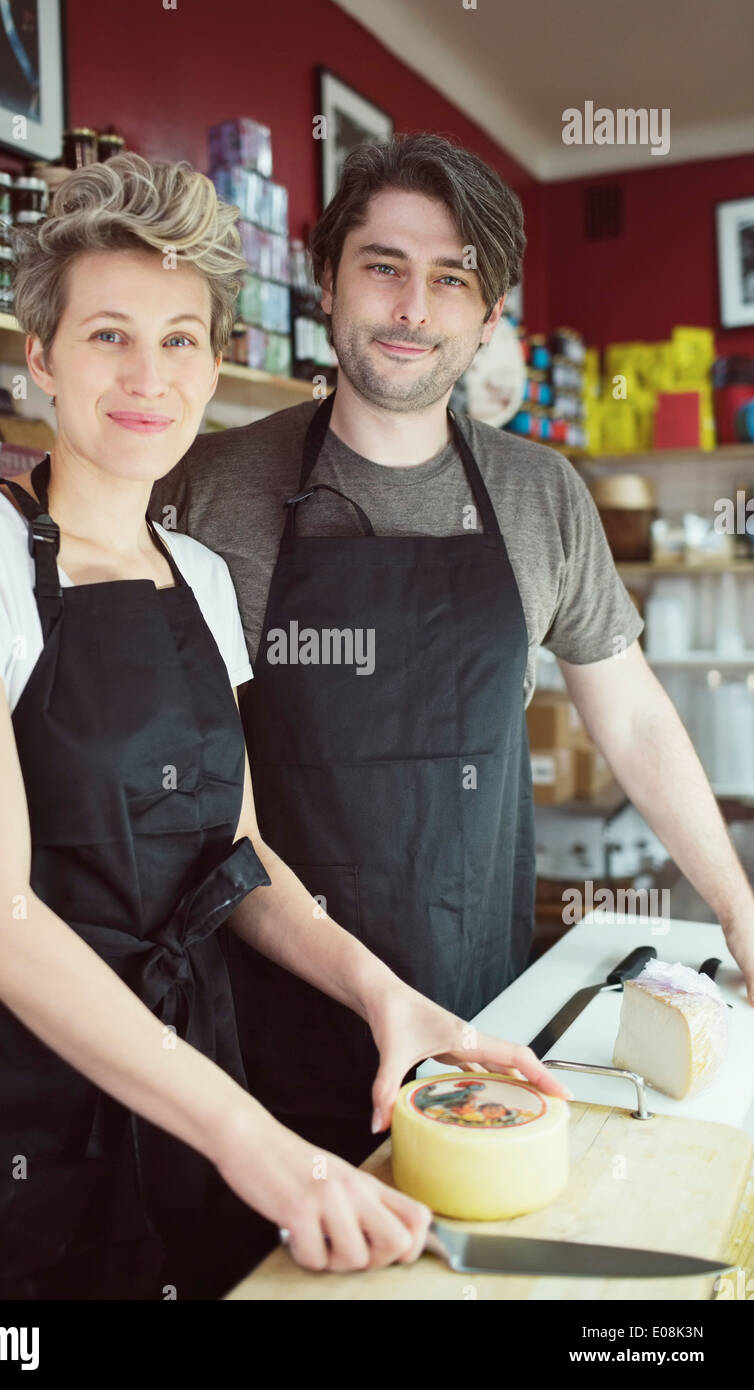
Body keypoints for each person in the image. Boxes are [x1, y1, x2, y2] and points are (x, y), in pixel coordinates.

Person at [0, 153, 568, 1302]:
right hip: (4, 1087)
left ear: (216, 365)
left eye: (180, 339)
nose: (146, 374)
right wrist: (256, 1140)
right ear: (41, 356)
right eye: (107, 335)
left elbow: (237, 861)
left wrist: (384, 996)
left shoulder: (199, 572)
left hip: (183, 1067)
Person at [150, 132, 754, 1171]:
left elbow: (633, 713)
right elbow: (171, 781)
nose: (410, 309)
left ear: (487, 316)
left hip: (482, 1020)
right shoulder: (206, 489)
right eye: (382, 266)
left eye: (450, 280)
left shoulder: (540, 494)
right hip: (250, 1032)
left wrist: (738, 906)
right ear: (325, 276)